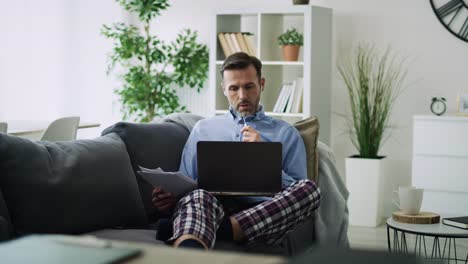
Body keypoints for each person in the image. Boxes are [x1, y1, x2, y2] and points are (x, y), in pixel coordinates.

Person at [152, 52, 321, 250]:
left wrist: (263, 160)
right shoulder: (203, 129)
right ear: (224, 89)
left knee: (311, 191)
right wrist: (170, 198)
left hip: (264, 213)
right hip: (211, 206)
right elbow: (187, 183)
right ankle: (200, 236)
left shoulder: (286, 133)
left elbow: (296, 189)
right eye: (234, 88)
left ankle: (214, 229)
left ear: (262, 84)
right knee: (197, 197)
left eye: (249, 86)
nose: (242, 96)